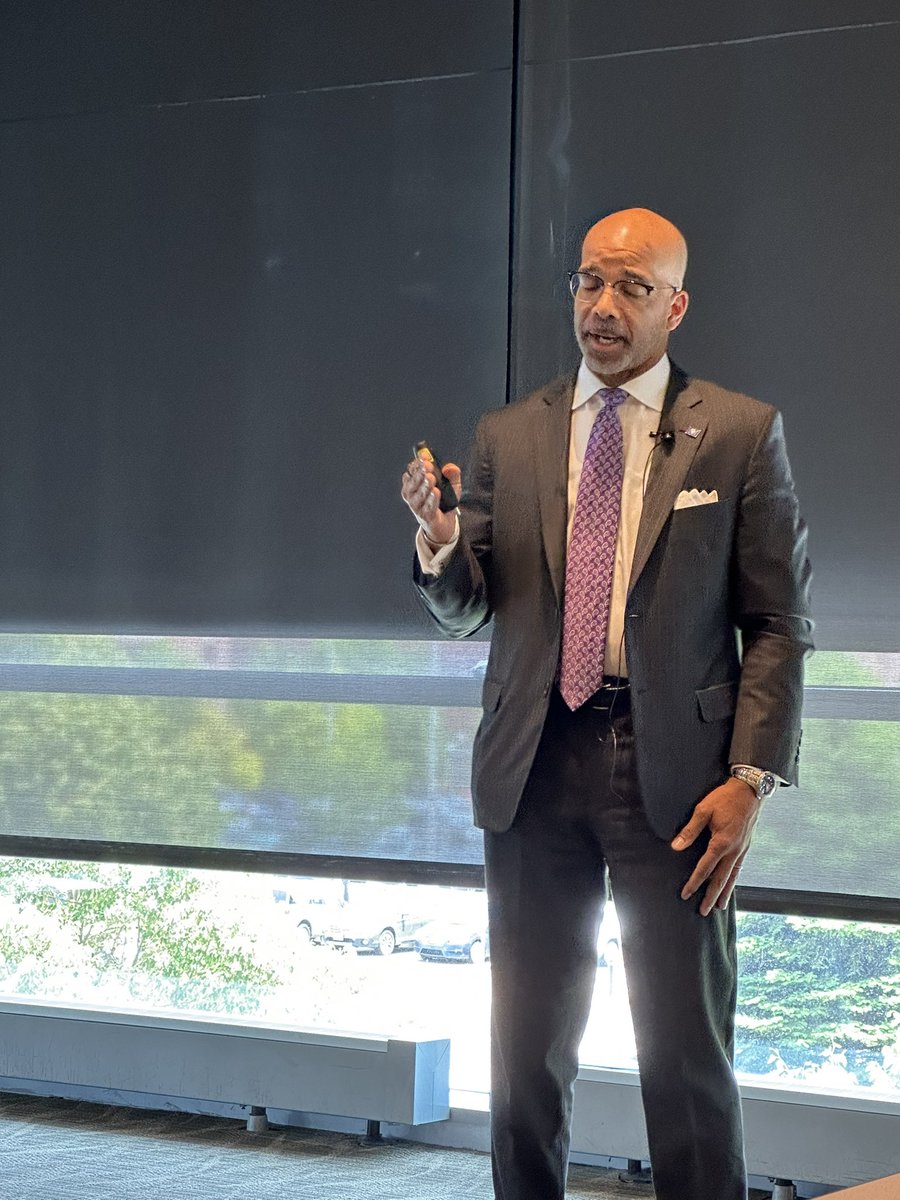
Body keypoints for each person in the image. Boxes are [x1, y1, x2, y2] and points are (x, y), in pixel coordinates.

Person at [400, 207, 813, 1200]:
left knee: (684, 1054)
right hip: (534, 763)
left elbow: (781, 626)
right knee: (527, 1052)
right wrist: (441, 544)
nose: (603, 304)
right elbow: (470, 614)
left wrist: (750, 780)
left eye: (631, 287)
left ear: (675, 306)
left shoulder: (742, 434)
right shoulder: (509, 435)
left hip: (674, 776)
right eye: (589, 280)